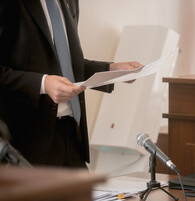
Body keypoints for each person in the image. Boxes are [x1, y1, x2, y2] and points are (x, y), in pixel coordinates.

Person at [0, 0, 142, 168]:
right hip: (26, 143)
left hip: (72, 135)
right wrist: (43, 83)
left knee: (85, 195)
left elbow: (66, 65)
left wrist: (112, 70)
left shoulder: (71, 2)